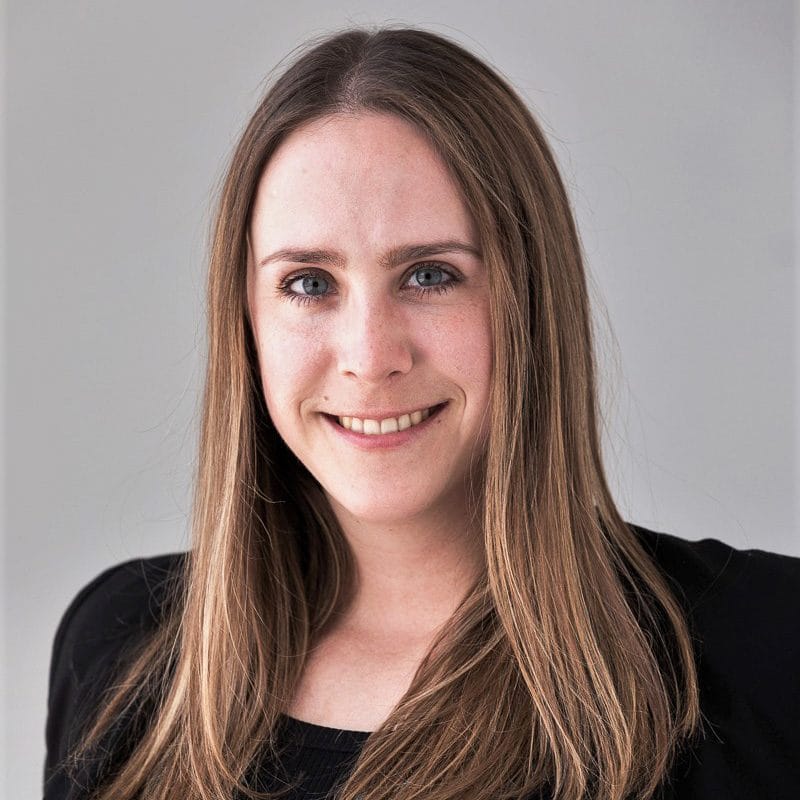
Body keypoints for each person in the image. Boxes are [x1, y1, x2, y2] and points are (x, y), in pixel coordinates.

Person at [43, 25, 800, 800]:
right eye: (308, 283)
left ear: (530, 302)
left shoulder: (765, 654)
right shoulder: (119, 646)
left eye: (430, 274)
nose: (371, 356)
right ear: (246, 321)